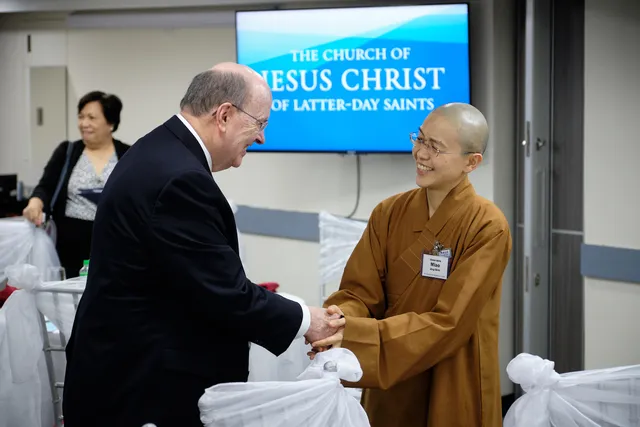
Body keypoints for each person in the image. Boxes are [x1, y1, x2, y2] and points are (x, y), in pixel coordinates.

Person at [62, 63, 344, 427]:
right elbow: (224, 292)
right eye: (260, 124)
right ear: (224, 114)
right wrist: (308, 320)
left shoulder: (161, 150)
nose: (261, 139)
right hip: (143, 388)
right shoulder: (180, 179)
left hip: (126, 371)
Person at [312, 103, 512, 427]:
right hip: (391, 378)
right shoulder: (388, 213)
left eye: (436, 147)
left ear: (471, 162)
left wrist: (358, 336)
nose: (421, 153)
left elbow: (450, 321)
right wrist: (340, 320)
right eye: (420, 139)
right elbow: (360, 292)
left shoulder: (487, 226)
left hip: (451, 375)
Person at [22, 91, 129, 277]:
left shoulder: (128, 154)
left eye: (92, 117)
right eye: (81, 117)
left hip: (114, 242)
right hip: (69, 245)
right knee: (69, 300)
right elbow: (45, 185)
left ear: (110, 123)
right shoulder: (67, 151)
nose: (84, 123)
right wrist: (35, 201)